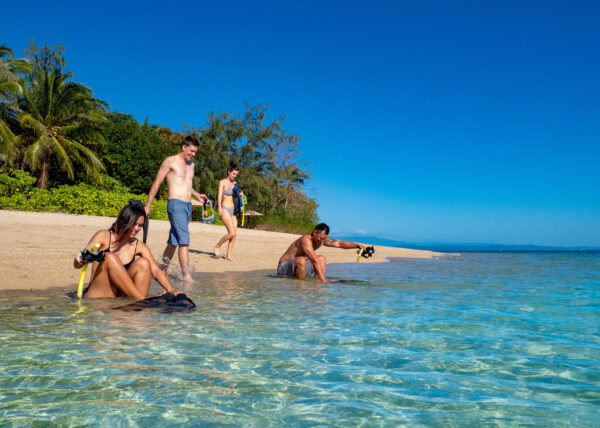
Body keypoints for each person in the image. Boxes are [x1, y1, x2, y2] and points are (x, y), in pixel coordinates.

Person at [73, 202, 180, 299]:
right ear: (124, 220)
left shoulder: (139, 246)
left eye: (140, 225)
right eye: (134, 224)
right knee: (110, 257)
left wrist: (171, 290)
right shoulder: (103, 236)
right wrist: (81, 260)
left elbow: (156, 271)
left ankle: (139, 304)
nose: (137, 228)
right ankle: (144, 300)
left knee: (144, 262)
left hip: (122, 298)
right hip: (100, 294)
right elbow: (77, 264)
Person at [144, 135, 207, 282]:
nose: (193, 154)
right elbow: (157, 183)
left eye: (195, 152)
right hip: (175, 203)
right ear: (183, 147)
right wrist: (148, 204)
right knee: (184, 239)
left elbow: (187, 185)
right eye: (191, 151)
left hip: (187, 206)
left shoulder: (192, 165)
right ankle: (186, 276)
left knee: (174, 240)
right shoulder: (170, 161)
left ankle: (161, 269)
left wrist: (197, 195)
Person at [277, 223, 367, 282]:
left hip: (299, 266)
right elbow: (313, 259)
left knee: (321, 259)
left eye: (324, 239)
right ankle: (301, 287)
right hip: (284, 268)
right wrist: (324, 280)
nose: (322, 241)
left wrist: (357, 245)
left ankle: (317, 284)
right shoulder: (305, 240)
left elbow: (339, 243)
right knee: (302, 260)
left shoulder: (321, 239)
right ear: (315, 232)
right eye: (320, 238)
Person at [213, 161, 242, 261]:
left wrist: (239, 193)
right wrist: (219, 208)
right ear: (228, 172)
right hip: (225, 209)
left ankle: (228, 256)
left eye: (236, 175)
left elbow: (235, 197)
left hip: (233, 211)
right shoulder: (223, 182)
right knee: (231, 233)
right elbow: (219, 195)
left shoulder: (235, 184)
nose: (235, 176)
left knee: (234, 234)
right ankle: (217, 246)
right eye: (234, 174)